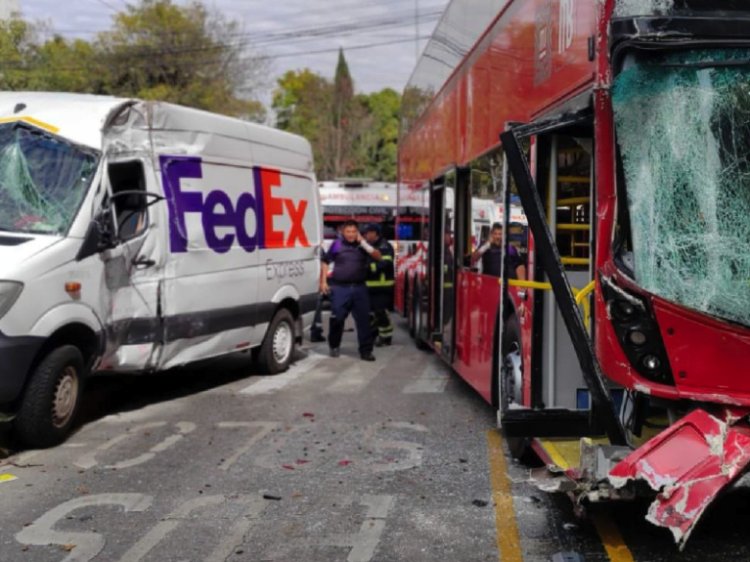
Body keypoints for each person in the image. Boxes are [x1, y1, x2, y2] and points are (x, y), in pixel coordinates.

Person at [320, 219, 382, 361]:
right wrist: (323, 281)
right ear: (343, 232)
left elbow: (378, 256)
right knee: (337, 318)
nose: (351, 234)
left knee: (364, 321)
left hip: (359, 288)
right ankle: (334, 345)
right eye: (348, 231)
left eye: (354, 231)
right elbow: (325, 261)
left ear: (358, 232)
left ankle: (366, 351)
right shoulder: (337, 245)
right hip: (340, 288)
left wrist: (363, 243)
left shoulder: (363, 246)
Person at [364, 224, 395, 347]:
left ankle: (386, 336)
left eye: (371, 232)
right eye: (367, 233)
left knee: (380, 312)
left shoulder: (385, 246)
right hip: (369, 286)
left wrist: (370, 267)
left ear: (376, 233)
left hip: (383, 287)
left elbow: (386, 263)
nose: (368, 235)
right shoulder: (366, 246)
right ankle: (374, 334)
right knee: (371, 314)